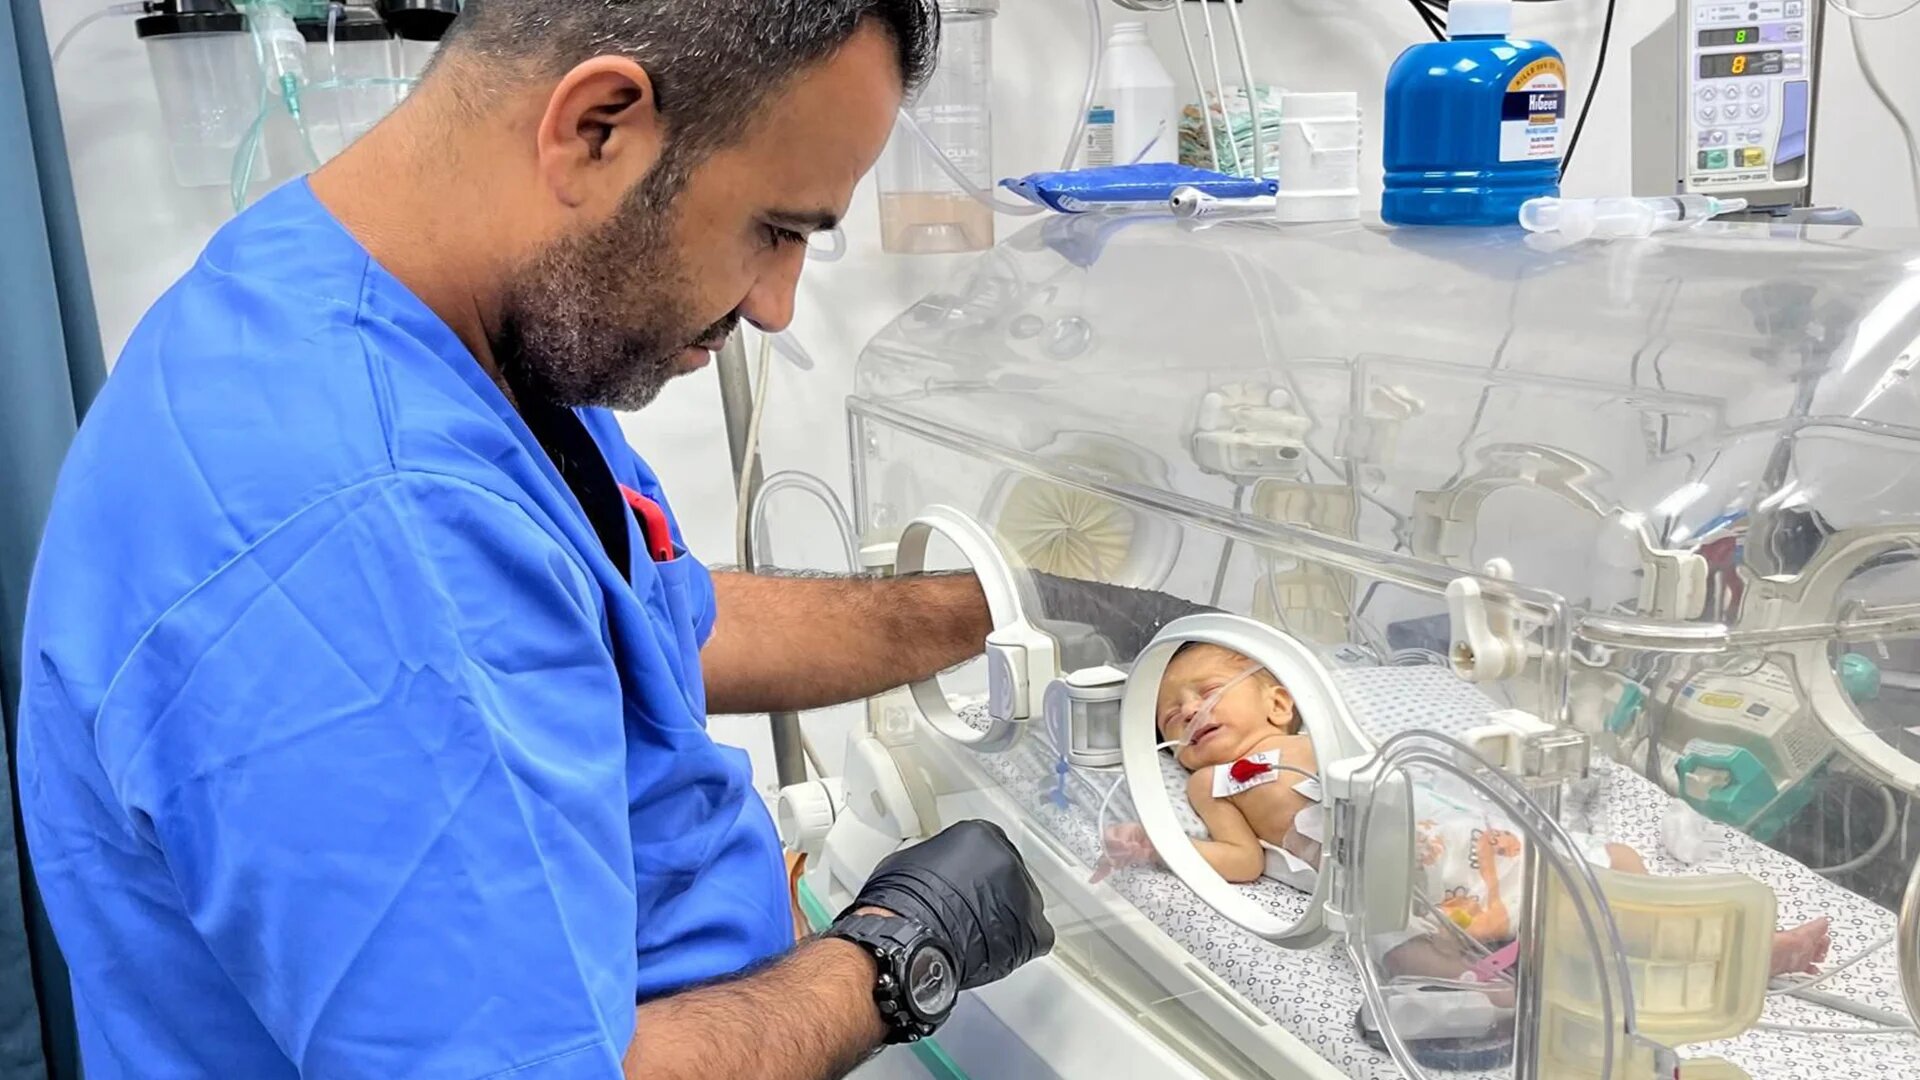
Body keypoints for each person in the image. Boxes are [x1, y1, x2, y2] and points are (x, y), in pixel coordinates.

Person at [16, 4, 1054, 1078]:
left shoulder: (459, 322)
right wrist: (893, 956)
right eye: (777, 229)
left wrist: (990, 606)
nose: (778, 305)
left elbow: (654, 626)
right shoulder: (360, 536)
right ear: (598, 126)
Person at [1103, 643, 1834, 981]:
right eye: (1173, 717)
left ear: (1279, 700)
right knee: (1414, 949)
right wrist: (1162, 842)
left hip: (1457, 836)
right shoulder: (1213, 786)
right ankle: (1708, 956)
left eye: (1204, 690)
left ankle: (1724, 939)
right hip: (1391, 876)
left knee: (1611, 870)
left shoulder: (1321, 734)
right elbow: (1244, 861)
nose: (1189, 712)